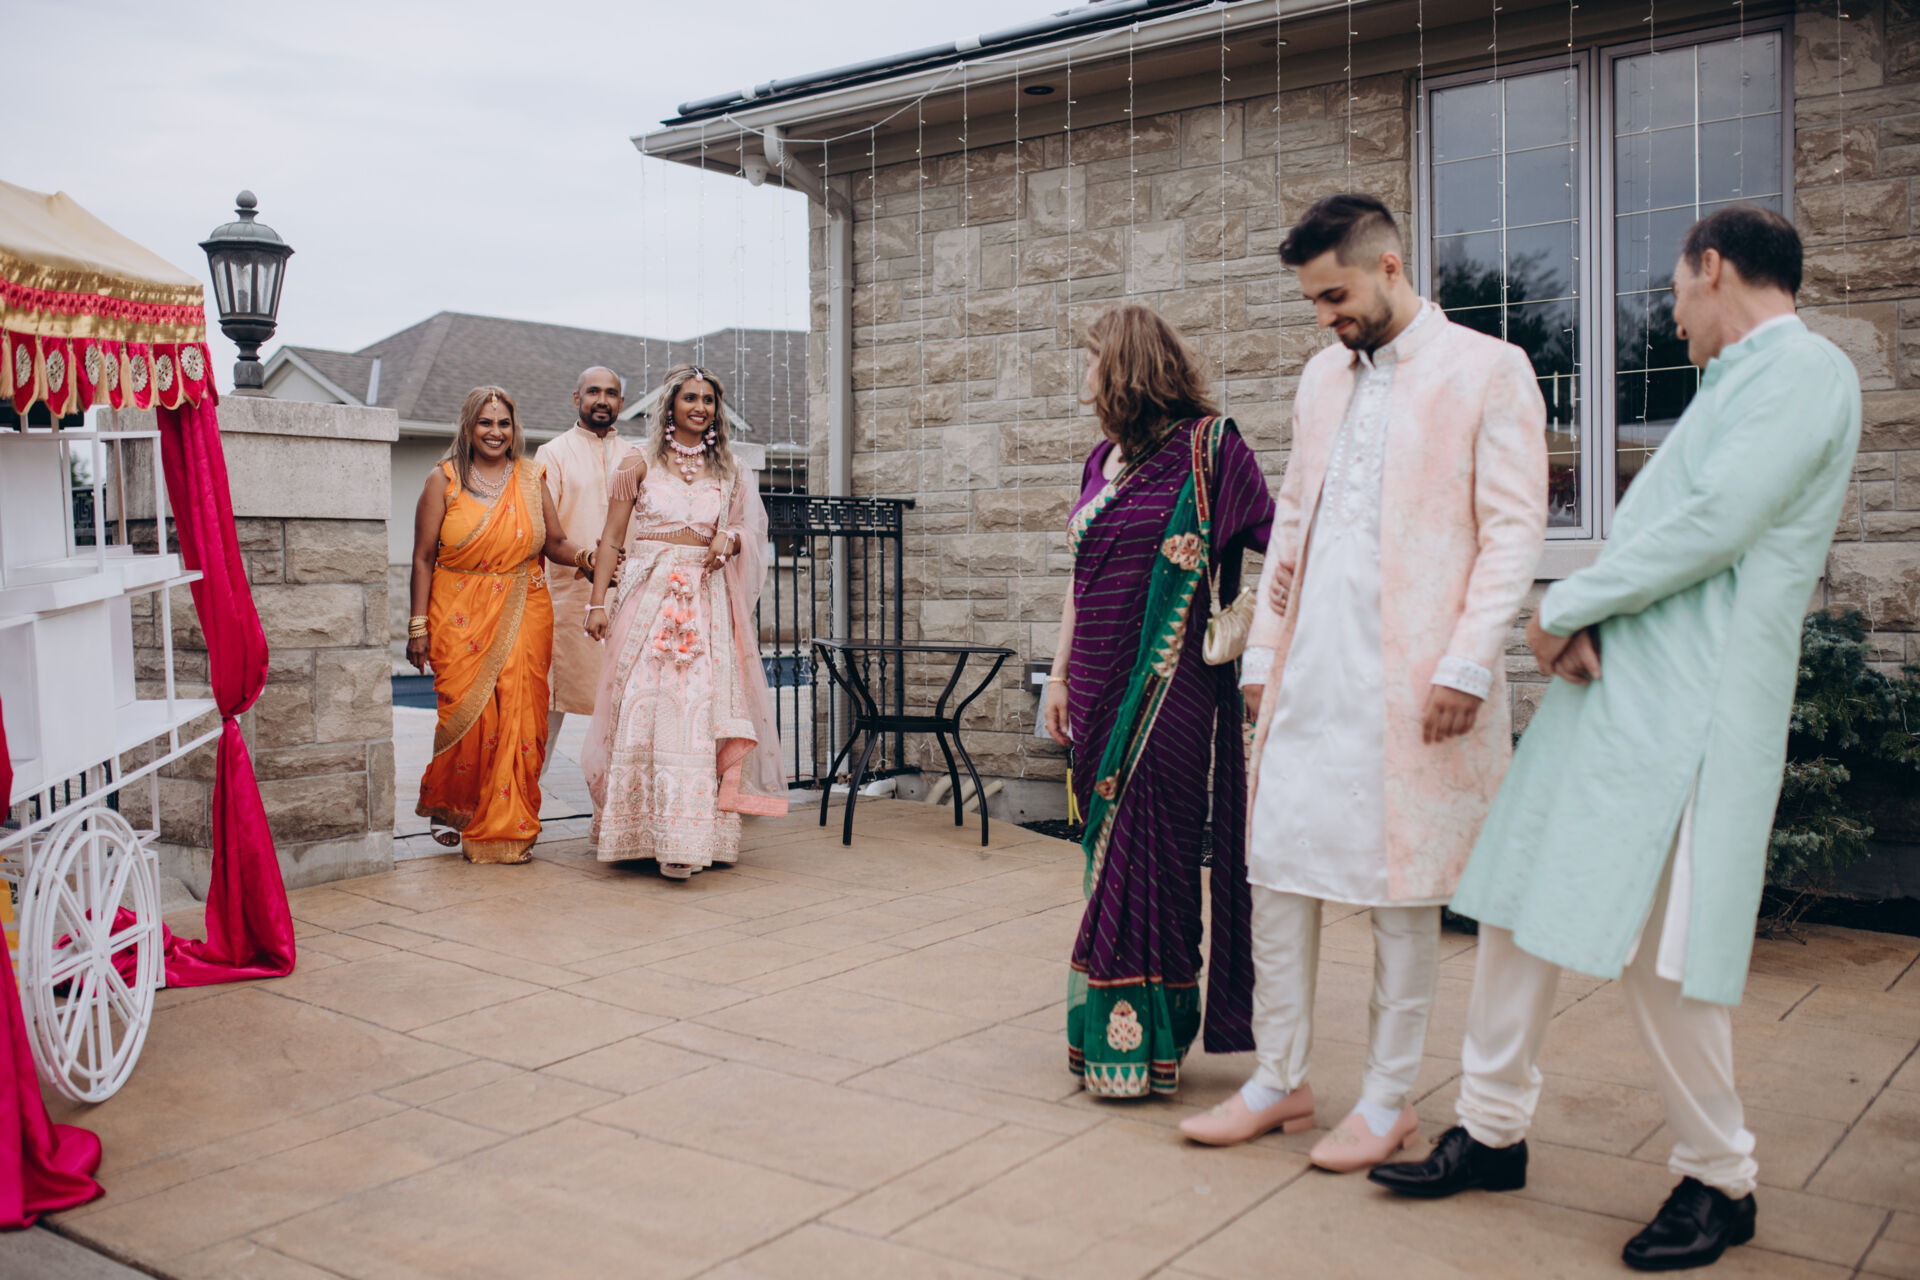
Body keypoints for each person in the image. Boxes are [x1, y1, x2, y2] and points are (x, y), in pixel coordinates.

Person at [1370, 206, 1862, 1272]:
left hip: (1690, 709)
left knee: (1659, 950)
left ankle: (1720, 1178)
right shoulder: (1739, 382)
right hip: (1618, 693)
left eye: (1676, 292)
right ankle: (1491, 1130)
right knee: (1516, 901)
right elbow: (1678, 530)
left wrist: (1566, 604)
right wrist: (1587, 618)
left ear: (1713, 267)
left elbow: (1715, 523)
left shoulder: (1805, 369)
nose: (1672, 317)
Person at [1177, 194, 1547, 1169]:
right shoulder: (1320, 377)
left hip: (1418, 680)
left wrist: (1468, 659)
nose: (1324, 317)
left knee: (1402, 889)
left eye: (1334, 296)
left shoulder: (1489, 369)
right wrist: (1264, 655)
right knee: (1275, 867)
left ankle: (1388, 1101)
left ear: (1389, 267)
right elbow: (1295, 514)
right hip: (1312, 668)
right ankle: (1279, 1079)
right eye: (1312, 301)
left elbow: (1514, 531)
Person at [1041, 303, 1274, 1099]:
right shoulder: (1098, 461)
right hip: (1096, 686)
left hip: (1171, 687)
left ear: (1125, 368)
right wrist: (1059, 677)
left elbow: (1286, 547)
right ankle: (1127, 1040)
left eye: (1092, 359)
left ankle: (1141, 1045)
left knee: (1157, 853)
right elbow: (1080, 582)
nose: (1084, 375)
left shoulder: (1212, 451)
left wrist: (1260, 648)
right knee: (1110, 856)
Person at [581, 365, 787, 878]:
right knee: (642, 706)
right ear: (670, 405)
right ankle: (634, 832)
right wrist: (596, 603)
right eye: (690, 398)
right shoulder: (638, 461)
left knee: (698, 711)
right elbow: (611, 537)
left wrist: (731, 539)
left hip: (705, 601)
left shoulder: (731, 470)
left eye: (708, 400)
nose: (700, 407)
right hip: (646, 599)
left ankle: (687, 838)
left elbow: (750, 532)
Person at [407, 386, 601, 863]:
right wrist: (417, 627)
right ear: (469, 426)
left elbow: (554, 542)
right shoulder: (443, 479)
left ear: (514, 429)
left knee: (520, 715)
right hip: (457, 611)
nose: (495, 432)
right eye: (485, 422)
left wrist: (585, 557)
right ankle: (455, 804)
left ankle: (507, 828)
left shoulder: (532, 477)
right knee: (465, 714)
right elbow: (423, 557)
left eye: (504, 423)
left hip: (523, 604)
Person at [533, 366, 636, 781]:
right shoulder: (552, 454)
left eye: (610, 393)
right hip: (569, 599)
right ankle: (522, 803)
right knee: (546, 711)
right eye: (593, 392)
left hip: (628, 595)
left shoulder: (635, 456)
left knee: (623, 709)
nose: (602, 400)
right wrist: (587, 559)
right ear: (576, 398)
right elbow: (544, 533)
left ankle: (617, 808)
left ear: (621, 403)